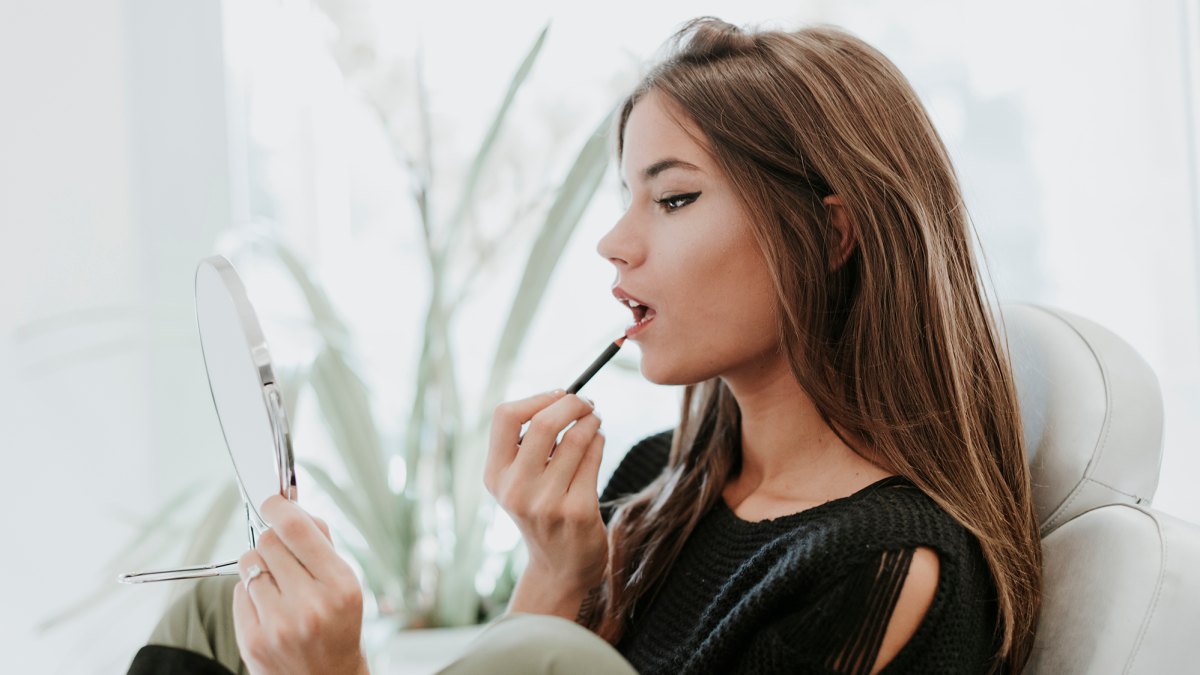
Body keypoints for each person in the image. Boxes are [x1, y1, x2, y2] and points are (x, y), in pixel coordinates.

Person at [128, 16, 1042, 675]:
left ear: (831, 234)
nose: (614, 241)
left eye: (673, 198)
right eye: (624, 196)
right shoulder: (659, 479)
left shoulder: (877, 565)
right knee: (219, 609)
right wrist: (556, 572)